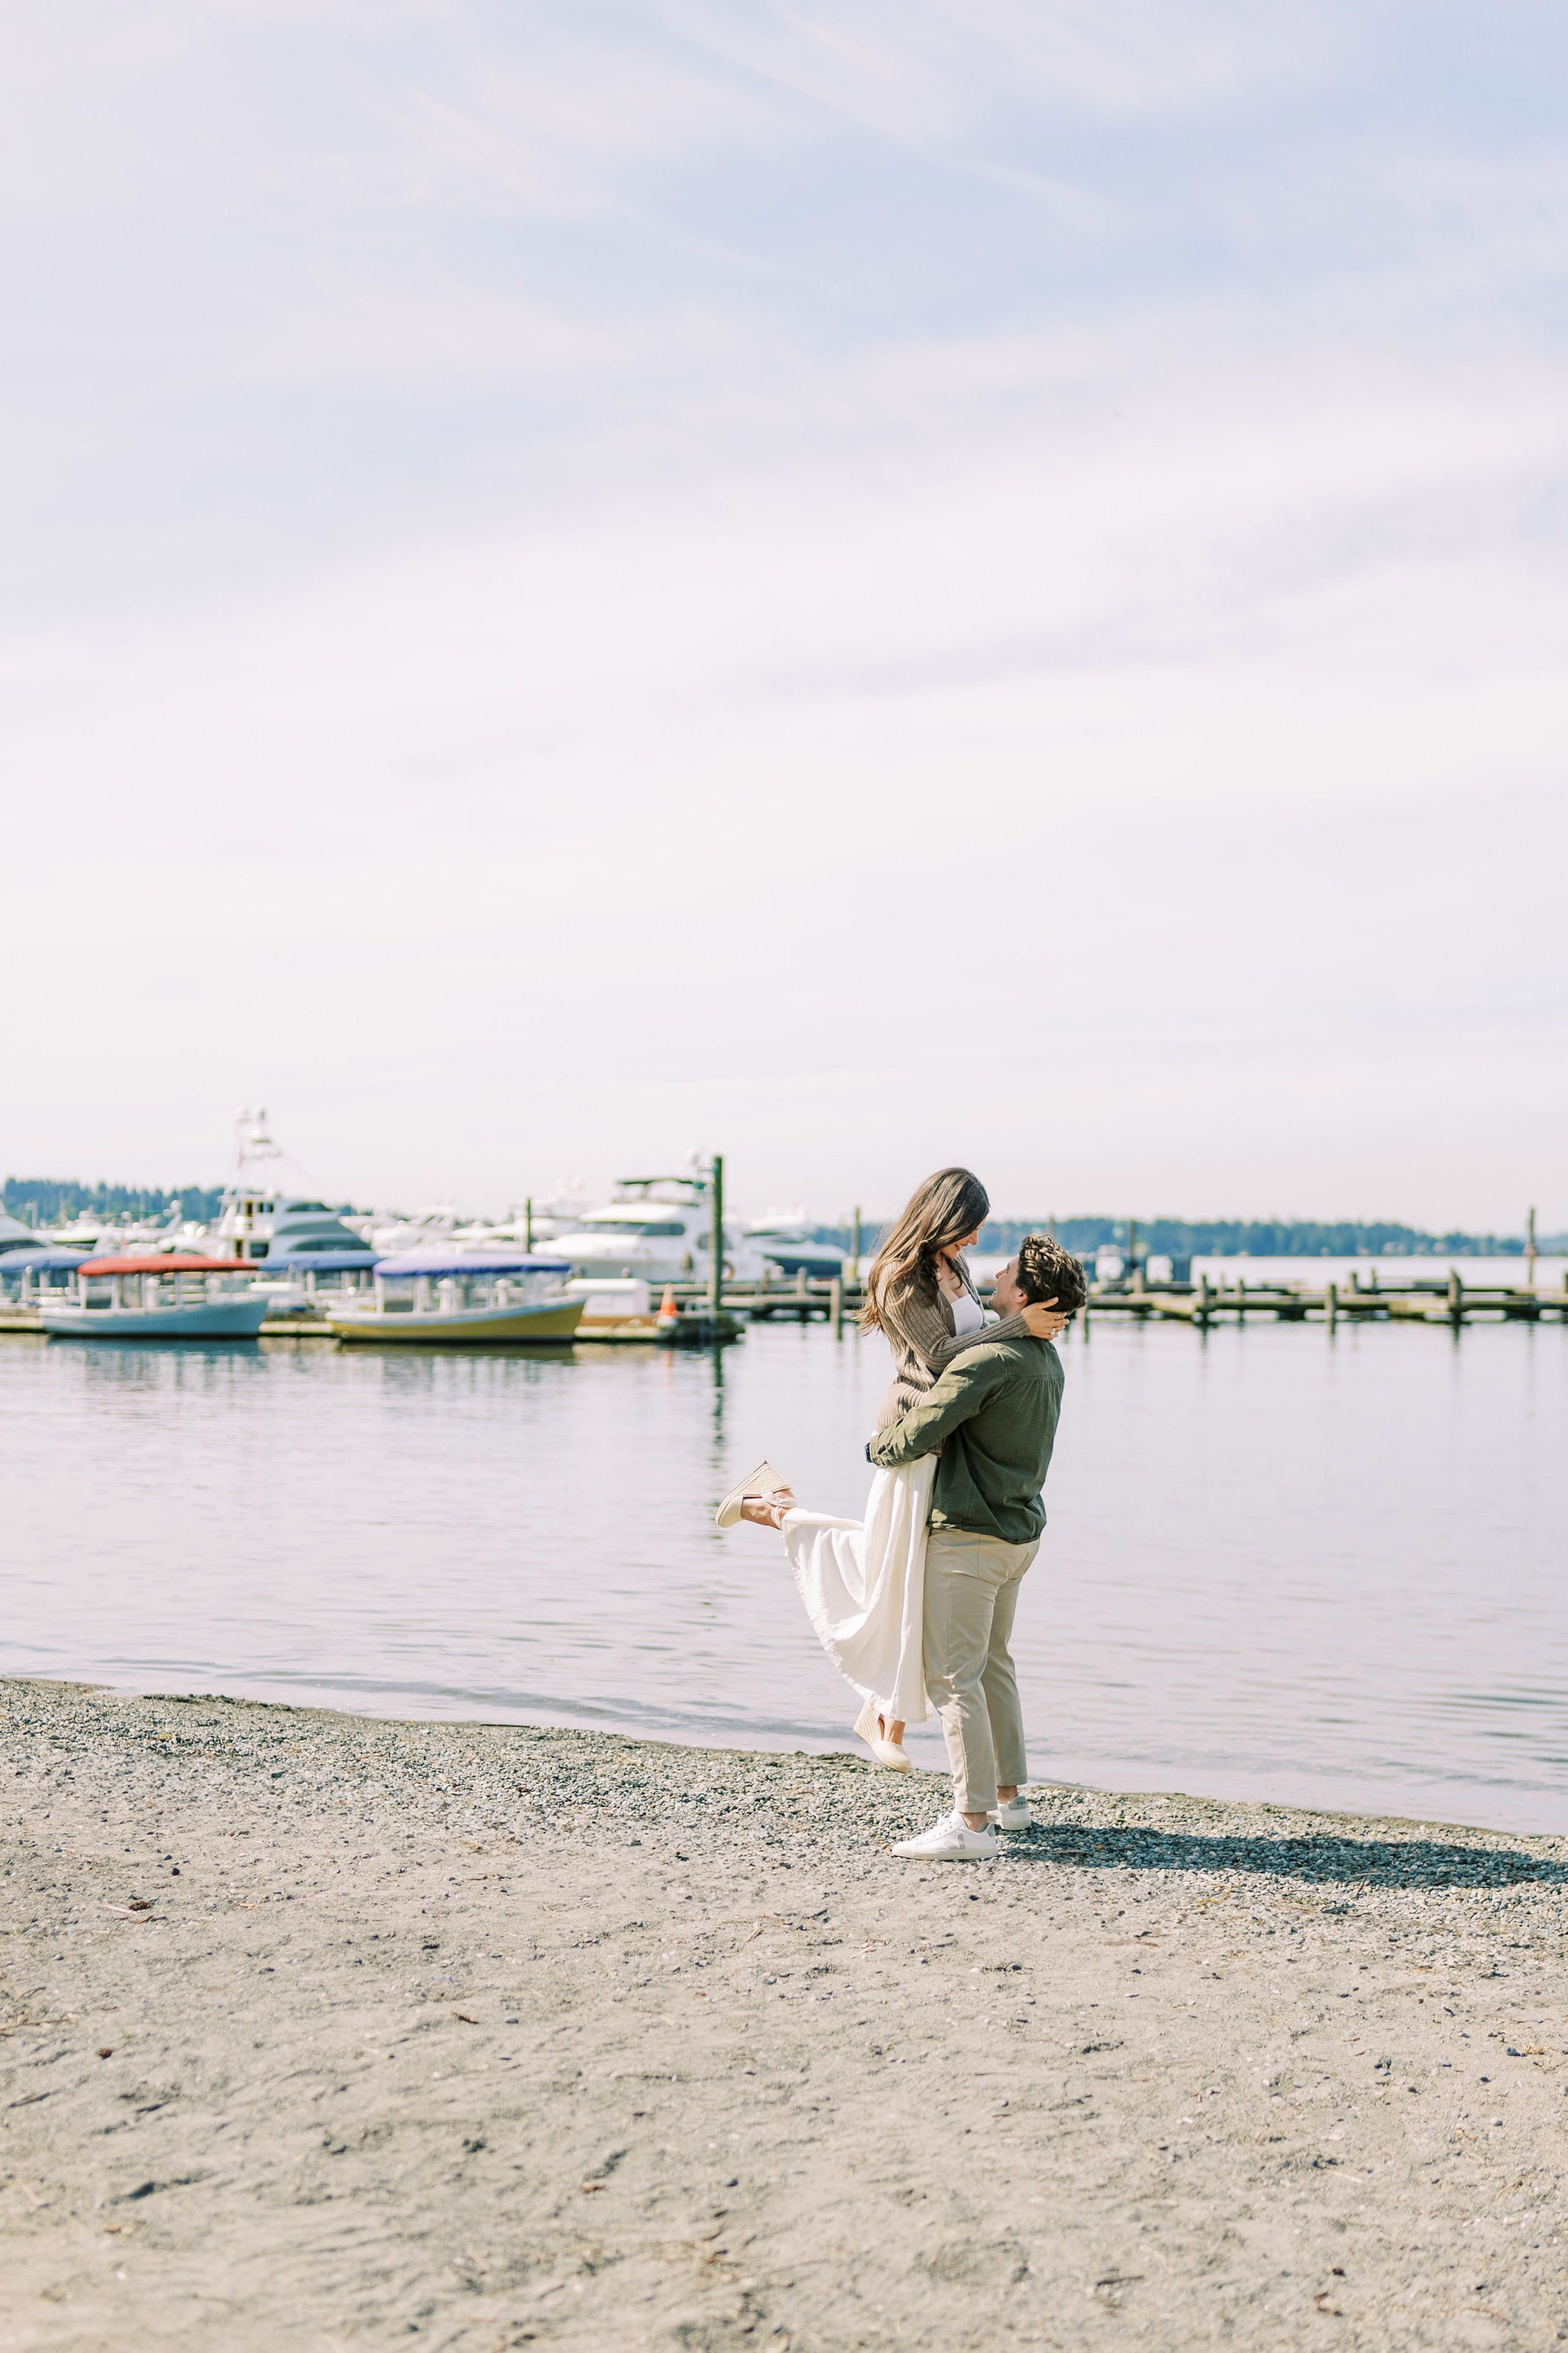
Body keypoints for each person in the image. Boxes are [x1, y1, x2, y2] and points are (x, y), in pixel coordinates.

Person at [714, 1167, 1066, 1767]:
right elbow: (942, 1360)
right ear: (945, 1217)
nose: (977, 1244)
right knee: (893, 1573)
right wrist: (1020, 1326)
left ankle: (884, 1721)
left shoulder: (952, 1270)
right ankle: (773, 1509)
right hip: (910, 1437)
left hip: (944, 1441)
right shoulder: (900, 1280)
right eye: (971, 1229)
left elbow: (973, 1356)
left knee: (905, 1572)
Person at [871, 1232, 1087, 1859]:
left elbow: (923, 1427)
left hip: (969, 1534)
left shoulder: (987, 1361)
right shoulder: (1046, 1360)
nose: (992, 1272)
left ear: (1023, 1294)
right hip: (1018, 1534)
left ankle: (971, 1824)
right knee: (993, 1666)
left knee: (954, 1679)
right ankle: (1011, 1800)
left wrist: (874, 1448)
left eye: (1008, 1271)